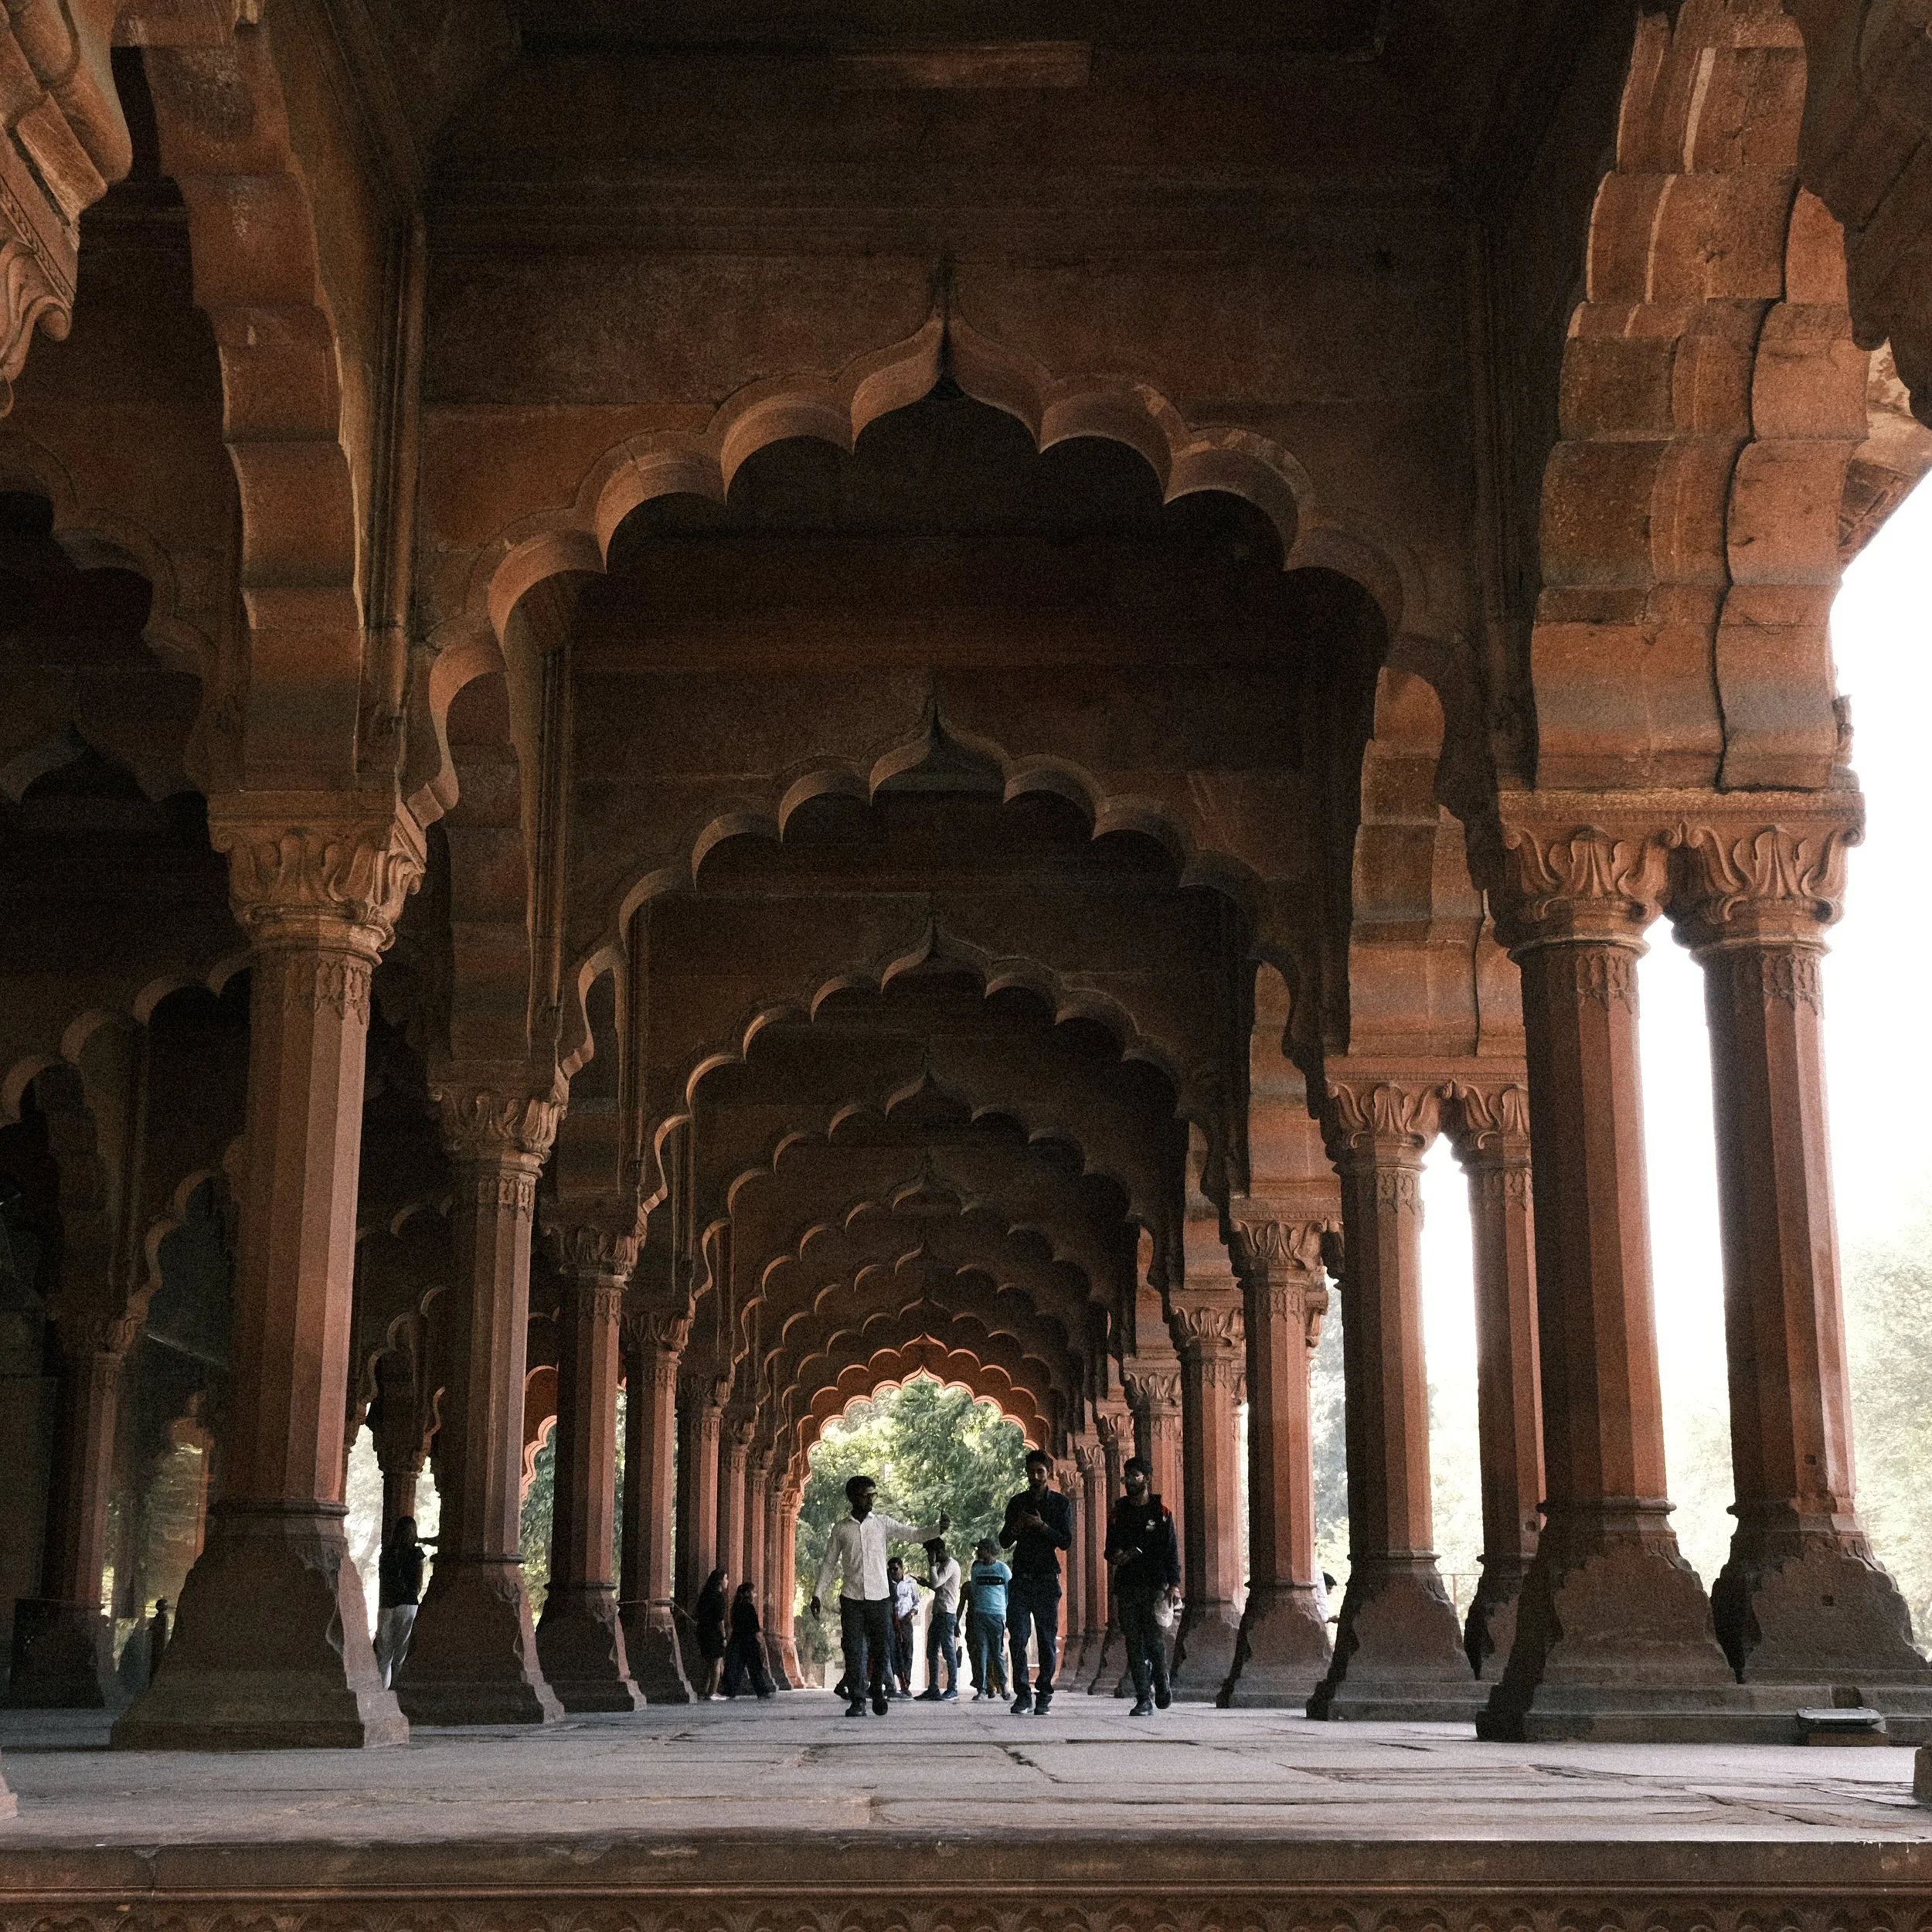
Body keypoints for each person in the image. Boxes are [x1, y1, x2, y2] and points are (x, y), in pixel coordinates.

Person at [811, 1475, 948, 1717]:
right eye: (867, 1495)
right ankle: (858, 1700)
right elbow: (829, 1563)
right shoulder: (842, 1529)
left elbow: (913, 1534)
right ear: (853, 1497)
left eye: (874, 1494)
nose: (872, 1499)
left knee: (881, 1649)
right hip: (852, 1598)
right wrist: (817, 1594)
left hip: (880, 1598)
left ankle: (877, 1691)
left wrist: (938, 1529)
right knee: (853, 1650)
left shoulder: (882, 1523)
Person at [998, 1448, 1074, 1715]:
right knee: (1017, 1638)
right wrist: (1018, 1526)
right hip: (1021, 1578)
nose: (1035, 1477)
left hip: (1045, 1578)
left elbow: (1065, 1541)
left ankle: (1044, 1694)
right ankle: (1022, 1694)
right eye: (1031, 1472)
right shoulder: (1017, 1502)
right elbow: (1004, 1541)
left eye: (1040, 1472)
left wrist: (1042, 1527)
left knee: (1045, 1639)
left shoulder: (1060, 1504)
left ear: (1048, 1473)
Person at [1105, 1455, 1181, 1716]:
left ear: (1146, 1479)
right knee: (1133, 1643)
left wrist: (1174, 1584)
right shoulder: (1118, 1513)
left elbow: (1171, 1551)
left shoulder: (1161, 1514)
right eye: (1126, 1476)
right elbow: (1109, 1550)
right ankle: (1143, 1698)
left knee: (1154, 1640)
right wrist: (1118, 1556)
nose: (1128, 1481)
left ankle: (1161, 1682)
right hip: (1127, 1584)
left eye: (1134, 1475)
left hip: (1154, 1585)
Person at [376, 1515, 432, 1689]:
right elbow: (418, 1583)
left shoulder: (387, 1553)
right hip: (407, 1605)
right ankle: (396, 1691)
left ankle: (381, 1691)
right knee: (401, 1653)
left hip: (387, 1604)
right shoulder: (416, 1553)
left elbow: (383, 1579)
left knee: (384, 1654)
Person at [916, 1536, 961, 1700]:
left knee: (948, 1651)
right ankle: (933, 1687)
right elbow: (939, 1588)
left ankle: (953, 1688)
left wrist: (931, 1565)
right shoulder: (944, 1566)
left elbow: (936, 1584)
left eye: (931, 1553)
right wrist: (927, 1584)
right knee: (931, 1651)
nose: (931, 1557)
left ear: (939, 1551)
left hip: (947, 1613)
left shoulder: (950, 1565)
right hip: (939, 1612)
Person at [965, 1539, 1011, 1700]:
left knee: (997, 1653)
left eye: (981, 1549)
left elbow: (1008, 1592)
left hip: (997, 1615)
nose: (978, 1552)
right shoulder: (976, 1570)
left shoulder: (1002, 1569)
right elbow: (975, 1590)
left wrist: (1004, 1612)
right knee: (982, 1652)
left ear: (989, 1550)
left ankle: (1004, 1686)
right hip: (980, 1614)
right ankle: (982, 1689)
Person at [721, 1580, 776, 1698]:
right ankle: (762, 1691)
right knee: (755, 1668)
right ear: (747, 1593)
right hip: (749, 1641)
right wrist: (760, 1642)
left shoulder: (736, 1607)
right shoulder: (749, 1607)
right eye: (753, 1592)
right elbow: (754, 1627)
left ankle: (730, 1691)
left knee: (737, 1667)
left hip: (737, 1640)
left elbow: (734, 1624)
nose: (755, 1595)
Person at [692, 1567, 729, 1699]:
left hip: (703, 1632)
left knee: (709, 1664)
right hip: (714, 1633)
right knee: (716, 1664)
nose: (727, 1581)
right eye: (726, 1578)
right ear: (720, 1581)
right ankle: (712, 1693)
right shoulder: (718, 1597)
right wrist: (723, 1636)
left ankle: (704, 1691)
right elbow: (720, 1620)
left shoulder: (705, 1595)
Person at [888, 1557, 917, 1696]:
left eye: (895, 1569)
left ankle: (906, 1684)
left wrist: (911, 1614)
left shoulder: (910, 1583)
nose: (893, 1572)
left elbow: (916, 1602)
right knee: (892, 1652)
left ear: (902, 1568)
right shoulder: (887, 1584)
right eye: (891, 1569)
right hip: (891, 1621)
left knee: (907, 1652)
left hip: (905, 1621)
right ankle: (891, 1683)